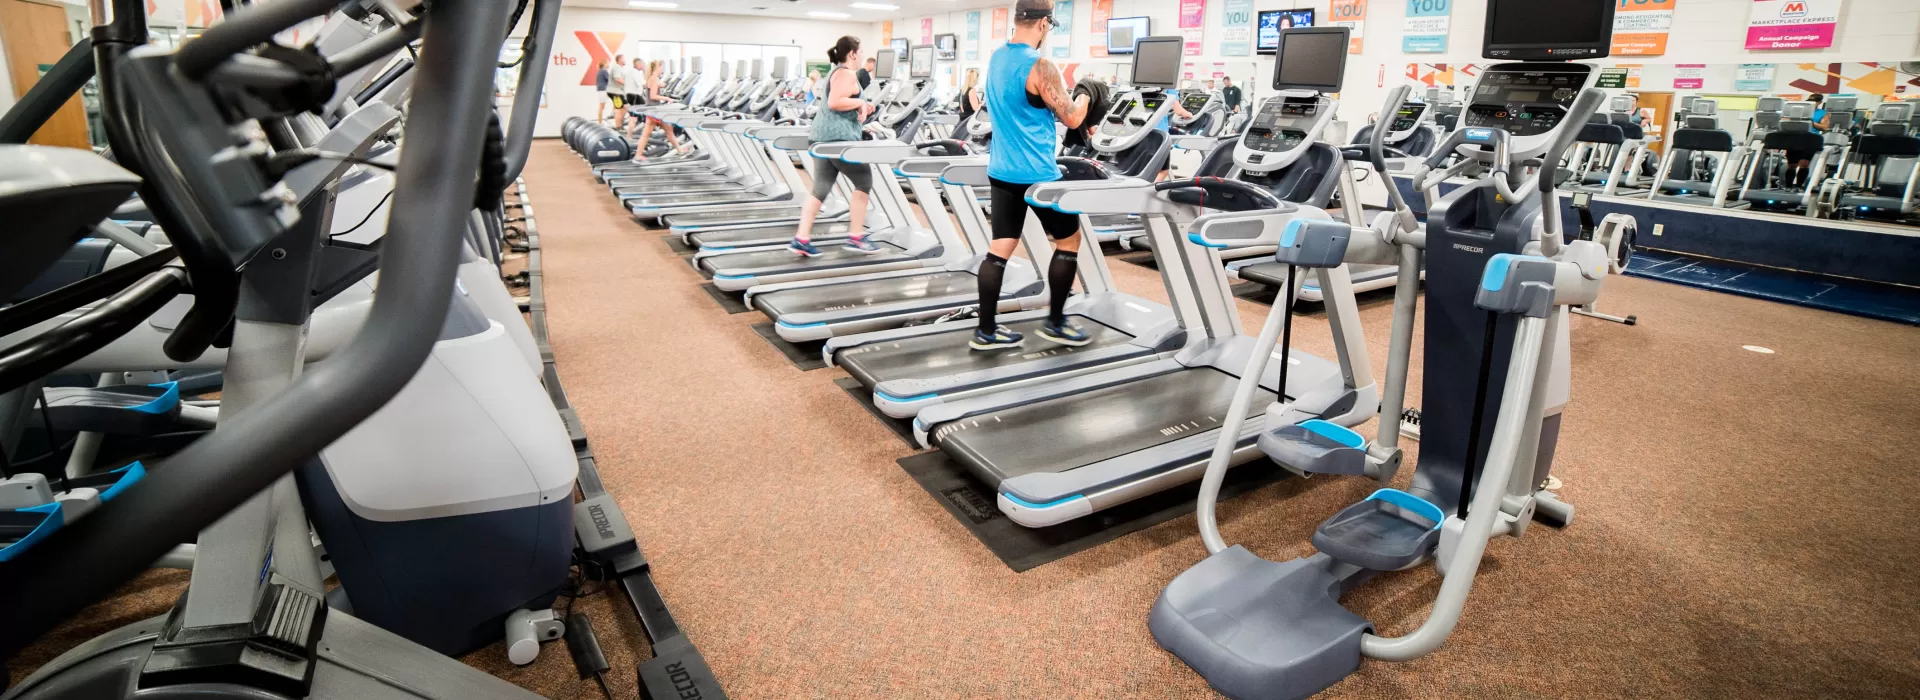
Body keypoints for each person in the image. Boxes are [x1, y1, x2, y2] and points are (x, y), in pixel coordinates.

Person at [972, 0, 1093, 350]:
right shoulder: (1040, 66)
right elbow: (1072, 117)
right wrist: (1086, 93)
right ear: (1043, 24)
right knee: (1068, 242)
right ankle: (1055, 322)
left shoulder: (997, 58)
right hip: (1038, 175)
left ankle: (986, 331)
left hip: (1002, 171)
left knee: (999, 250)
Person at [789, 36, 880, 257]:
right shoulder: (847, 73)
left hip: (821, 138)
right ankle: (856, 236)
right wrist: (860, 102)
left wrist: (863, 106)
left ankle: (801, 238)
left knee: (820, 188)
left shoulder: (835, 72)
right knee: (864, 180)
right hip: (837, 140)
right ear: (853, 54)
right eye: (860, 52)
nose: (860, 57)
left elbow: (836, 103)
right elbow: (835, 102)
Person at [629, 60, 689, 161]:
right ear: (658, 67)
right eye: (662, 67)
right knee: (660, 132)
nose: (662, 69)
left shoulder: (651, 77)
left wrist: (661, 85)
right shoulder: (655, 78)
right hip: (655, 112)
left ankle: (680, 151)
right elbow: (653, 96)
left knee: (666, 131)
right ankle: (680, 151)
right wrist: (667, 99)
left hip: (654, 110)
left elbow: (652, 87)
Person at [606, 55, 630, 129]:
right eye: (624, 58)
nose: (625, 60)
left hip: (618, 92)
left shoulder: (620, 68)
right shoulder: (616, 67)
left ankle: (620, 125)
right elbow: (618, 79)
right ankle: (618, 127)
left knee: (625, 107)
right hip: (615, 92)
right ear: (620, 59)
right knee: (619, 109)